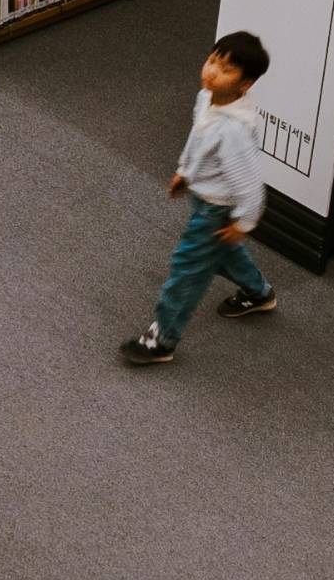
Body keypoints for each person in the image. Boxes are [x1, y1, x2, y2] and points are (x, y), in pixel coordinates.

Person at [119, 32, 277, 366]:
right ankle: (258, 293)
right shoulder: (207, 98)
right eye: (212, 61)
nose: (212, 72)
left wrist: (243, 223)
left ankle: (163, 340)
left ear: (245, 84)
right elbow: (197, 141)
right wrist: (185, 171)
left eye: (226, 70)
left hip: (216, 210)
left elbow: (251, 185)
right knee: (222, 253)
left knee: (188, 271)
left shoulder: (234, 131)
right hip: (205, 197)